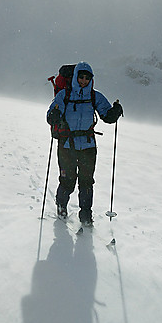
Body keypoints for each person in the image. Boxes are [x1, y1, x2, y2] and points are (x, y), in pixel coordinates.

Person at [46, 61, 123, 225]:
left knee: (87, 181)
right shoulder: (64, 95)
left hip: (88, 146)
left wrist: (114, 112)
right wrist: (54, 115)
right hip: (67, 145)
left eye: (87, 78)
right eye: (80, 77)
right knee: (67, 180)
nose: (83, 81)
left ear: (91, 79)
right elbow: (51, 114)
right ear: (75, 77)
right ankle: (61, 207)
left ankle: (86, 214)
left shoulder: (95, 96)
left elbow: (106, 116)